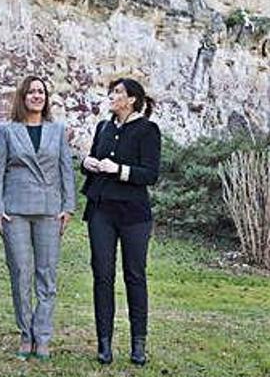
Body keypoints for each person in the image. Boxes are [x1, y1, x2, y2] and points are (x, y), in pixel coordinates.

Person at [0, 75, 75, 361]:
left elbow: (66, 171)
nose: (37, 96)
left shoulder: (58, 130)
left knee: (47, 276)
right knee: (21, 274)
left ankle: (43, 335)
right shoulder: (7, 131)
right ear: (22, 97)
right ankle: (26, 334)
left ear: (46, 98)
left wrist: (69, 207)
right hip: (15, 211)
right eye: (31, 92)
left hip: (50, 211)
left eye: (41, 92)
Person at [81, 78, 160, 366]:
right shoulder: (104, 126)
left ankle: (138, 344)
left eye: (118, 93)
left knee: (134, 276)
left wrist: (120, 170)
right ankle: (104, 343)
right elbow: (92, 158)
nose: (112, 97)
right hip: (101, 210)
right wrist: (87, 163)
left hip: (133, 214)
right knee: (102, 275)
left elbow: (150, 173)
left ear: (132, 100)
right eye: (112, 92)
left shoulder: (148, 130)